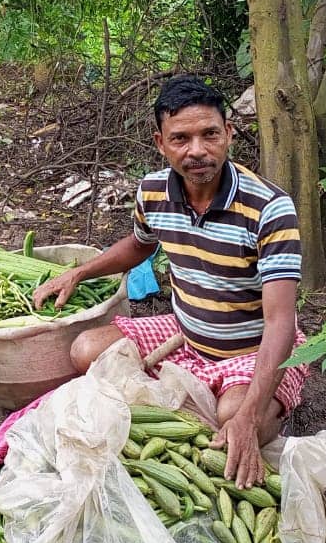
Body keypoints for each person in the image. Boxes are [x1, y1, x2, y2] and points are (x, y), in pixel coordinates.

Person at [32, 75, 309, 490]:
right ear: (160, 143)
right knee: (85, 350)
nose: (197, 151)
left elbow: (280, 322)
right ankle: (201, 396)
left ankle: (260, 406)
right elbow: (139, 245)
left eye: (209, 134)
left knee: (233, 420)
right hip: (187, 332)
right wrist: (79, 271)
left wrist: (250, 418)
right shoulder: (153, 192)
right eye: (181, 138)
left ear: (228, 134)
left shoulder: (269, 208)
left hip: (251, 347)